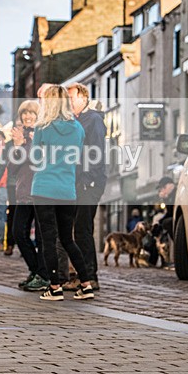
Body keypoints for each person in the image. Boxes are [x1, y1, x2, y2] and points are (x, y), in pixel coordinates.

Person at [31, 85, 94, 301]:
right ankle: (86, 284)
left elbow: (34, 157)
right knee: (68, 239)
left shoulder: (42, 127)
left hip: (44, 188)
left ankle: (55, 287)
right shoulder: (78, 128)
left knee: (48, 239)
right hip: (68, 190)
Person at [67, 82, 107, 290]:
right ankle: (80, 275)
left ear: (83, 98)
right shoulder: (75, 120)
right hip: (75, 181)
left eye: (71, 98)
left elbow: (96, 151)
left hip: (89, 182)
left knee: (83, 229)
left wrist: (88, 178)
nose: (68, 102)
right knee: (75, 230)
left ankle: (90, 277)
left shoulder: (93, 120)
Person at [11, 100, 49, 292]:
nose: (27, 117)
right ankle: (36, 270)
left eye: (31, 113)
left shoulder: (43, 133)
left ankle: (43, 275)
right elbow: (12, 167)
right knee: (18, 233)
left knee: (42, 238)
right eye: (24, 113)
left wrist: (23, 146)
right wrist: (17, 146)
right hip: (24, 192)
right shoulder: (19, 136)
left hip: (42, 190)